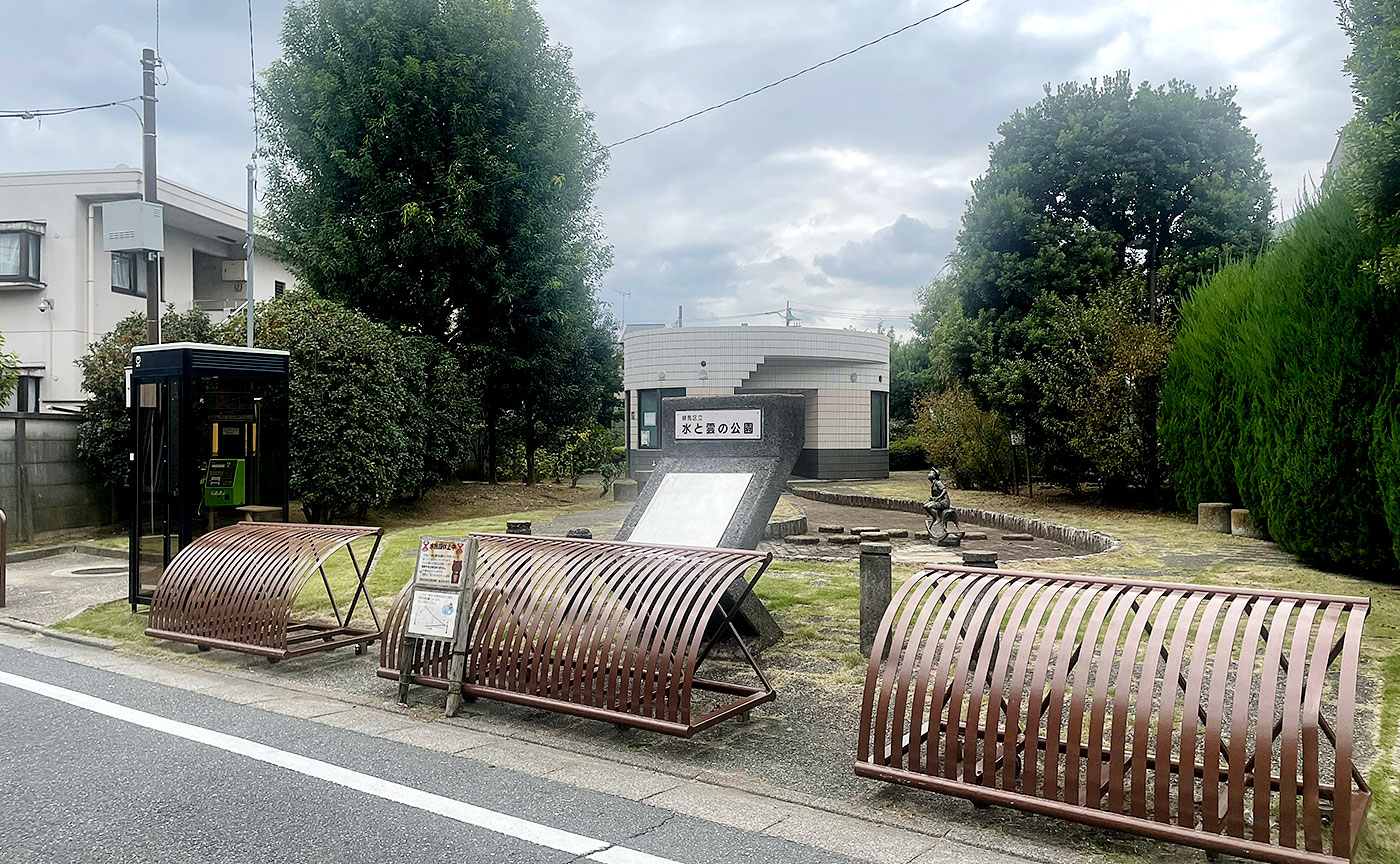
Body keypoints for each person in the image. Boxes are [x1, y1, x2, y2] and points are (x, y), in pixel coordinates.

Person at [922, 468, 958, 537]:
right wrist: (932, 499)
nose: (929, 474)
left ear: (934, 475)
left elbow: (944, 490)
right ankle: (936, 517)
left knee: (928, 506)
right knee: (925, 505)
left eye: (930, 473)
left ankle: (937, 518)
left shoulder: (938, 482)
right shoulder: (933, 483)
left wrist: (939, 497)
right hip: (939, 501)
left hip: (944, 502)